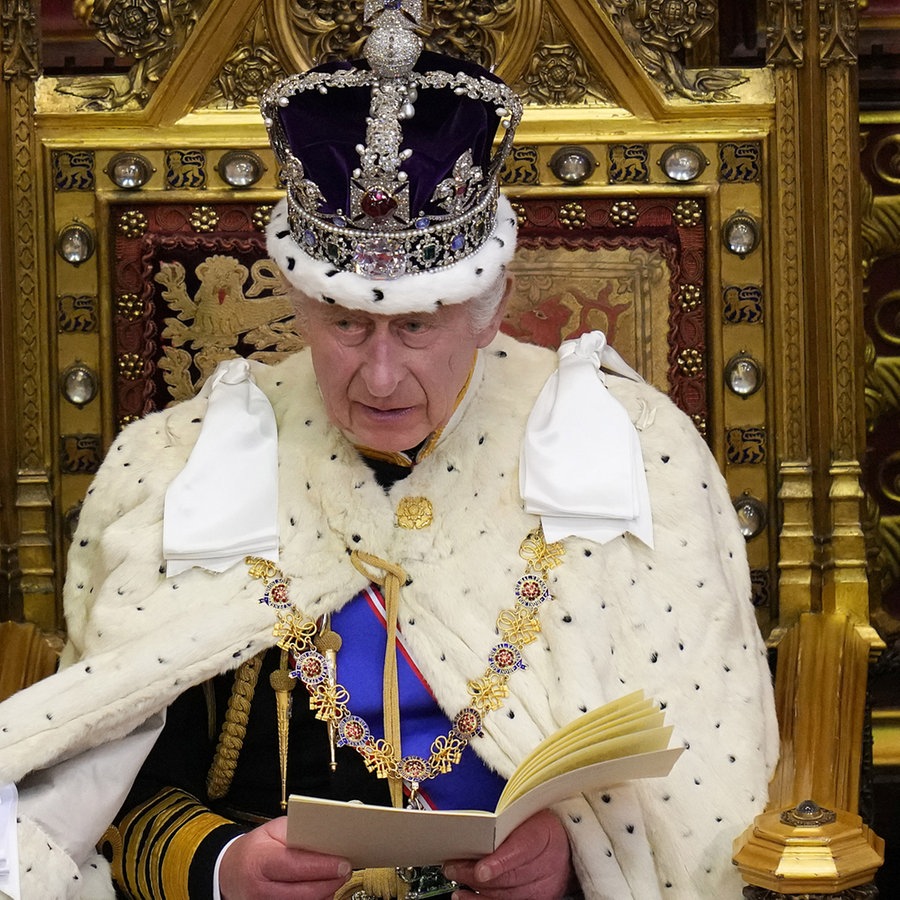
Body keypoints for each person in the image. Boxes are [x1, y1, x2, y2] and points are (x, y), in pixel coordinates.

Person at [0, 3, 778, 898]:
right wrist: (224, 868)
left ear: (491, 307)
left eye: (415, 328)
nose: (376, 377)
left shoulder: (632, 448)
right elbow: (104, 800)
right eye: (343, 324)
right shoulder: (180, 463)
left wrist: (573, 864)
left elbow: (694, 805)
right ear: (296, 305)